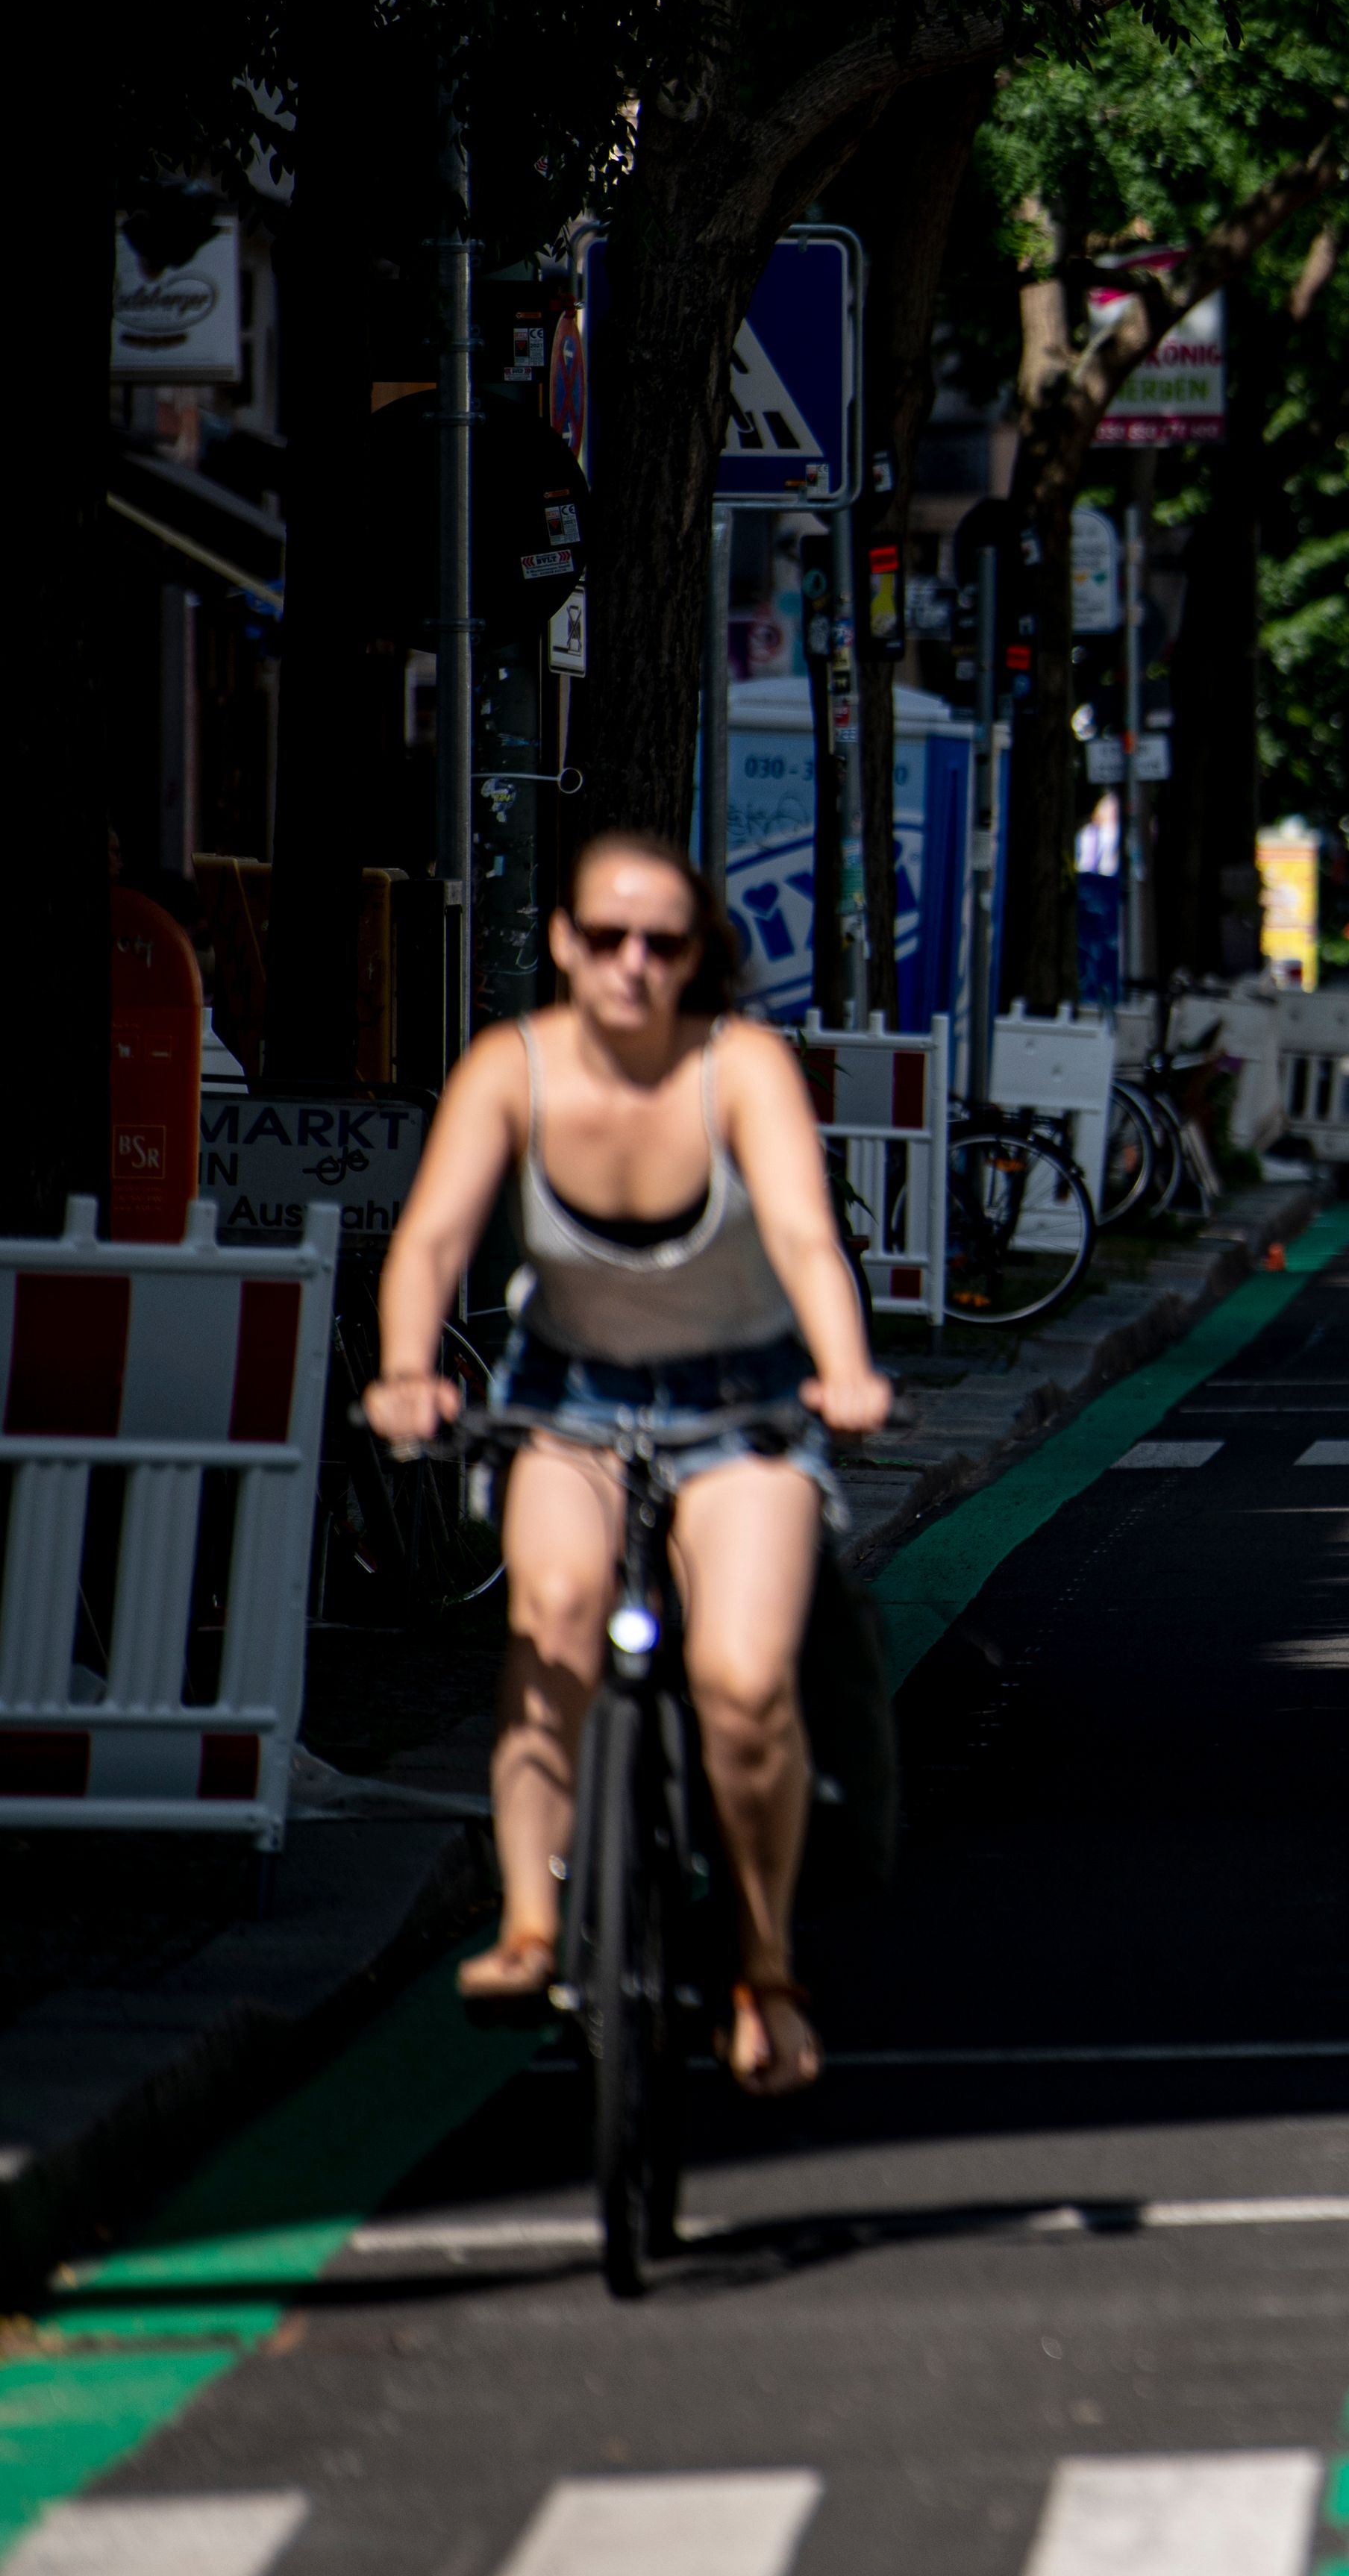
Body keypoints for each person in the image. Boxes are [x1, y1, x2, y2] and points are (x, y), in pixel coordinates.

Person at [363, 830, 892, 2095]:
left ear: (698, 955)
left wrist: (848, 1365)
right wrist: (402, 1370)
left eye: (663, 943)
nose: (633, 966)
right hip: (569, 1394)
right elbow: (432, 1236)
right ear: (563, 943)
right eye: (606, 938)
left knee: (746, 1680)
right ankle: (534, 1924)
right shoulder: (513, 1066)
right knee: (554, 1613)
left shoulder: (741, 1067)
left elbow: (809, 1240)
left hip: (744, 1398)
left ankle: (765, 1967)